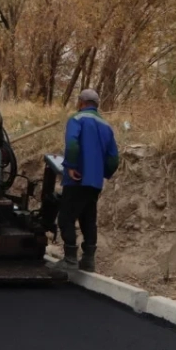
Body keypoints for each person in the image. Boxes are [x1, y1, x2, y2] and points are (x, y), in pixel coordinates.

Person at [48, 89, 119, 274]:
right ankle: (88, 259)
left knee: (66, 218)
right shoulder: (106, 126)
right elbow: (113, 159)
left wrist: (71, 166)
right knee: (88, 218)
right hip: (95, 182)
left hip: (77, 179)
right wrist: (102, 173)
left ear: (81, 102)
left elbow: (72, 144)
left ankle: (70, 259)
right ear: (97, 104)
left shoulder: (77, 119)